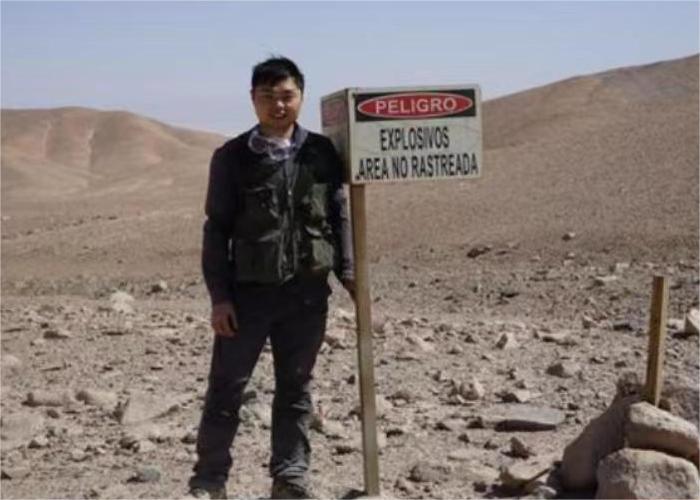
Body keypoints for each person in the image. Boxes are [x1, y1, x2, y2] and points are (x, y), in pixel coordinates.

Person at [187, 56, 355, 500]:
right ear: (252, 99)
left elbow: (338, 215)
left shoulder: (321, 152)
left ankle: (290, 477)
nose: (278, 105)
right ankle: (209, 481)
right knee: (227, 389)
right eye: (268, 96)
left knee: (296, 389)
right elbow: (216, 230)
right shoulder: (231, 157)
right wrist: (219, 298)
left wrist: (351, 276)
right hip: (247, 298)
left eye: (287, 96)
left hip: (306, 296)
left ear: (301, 96)